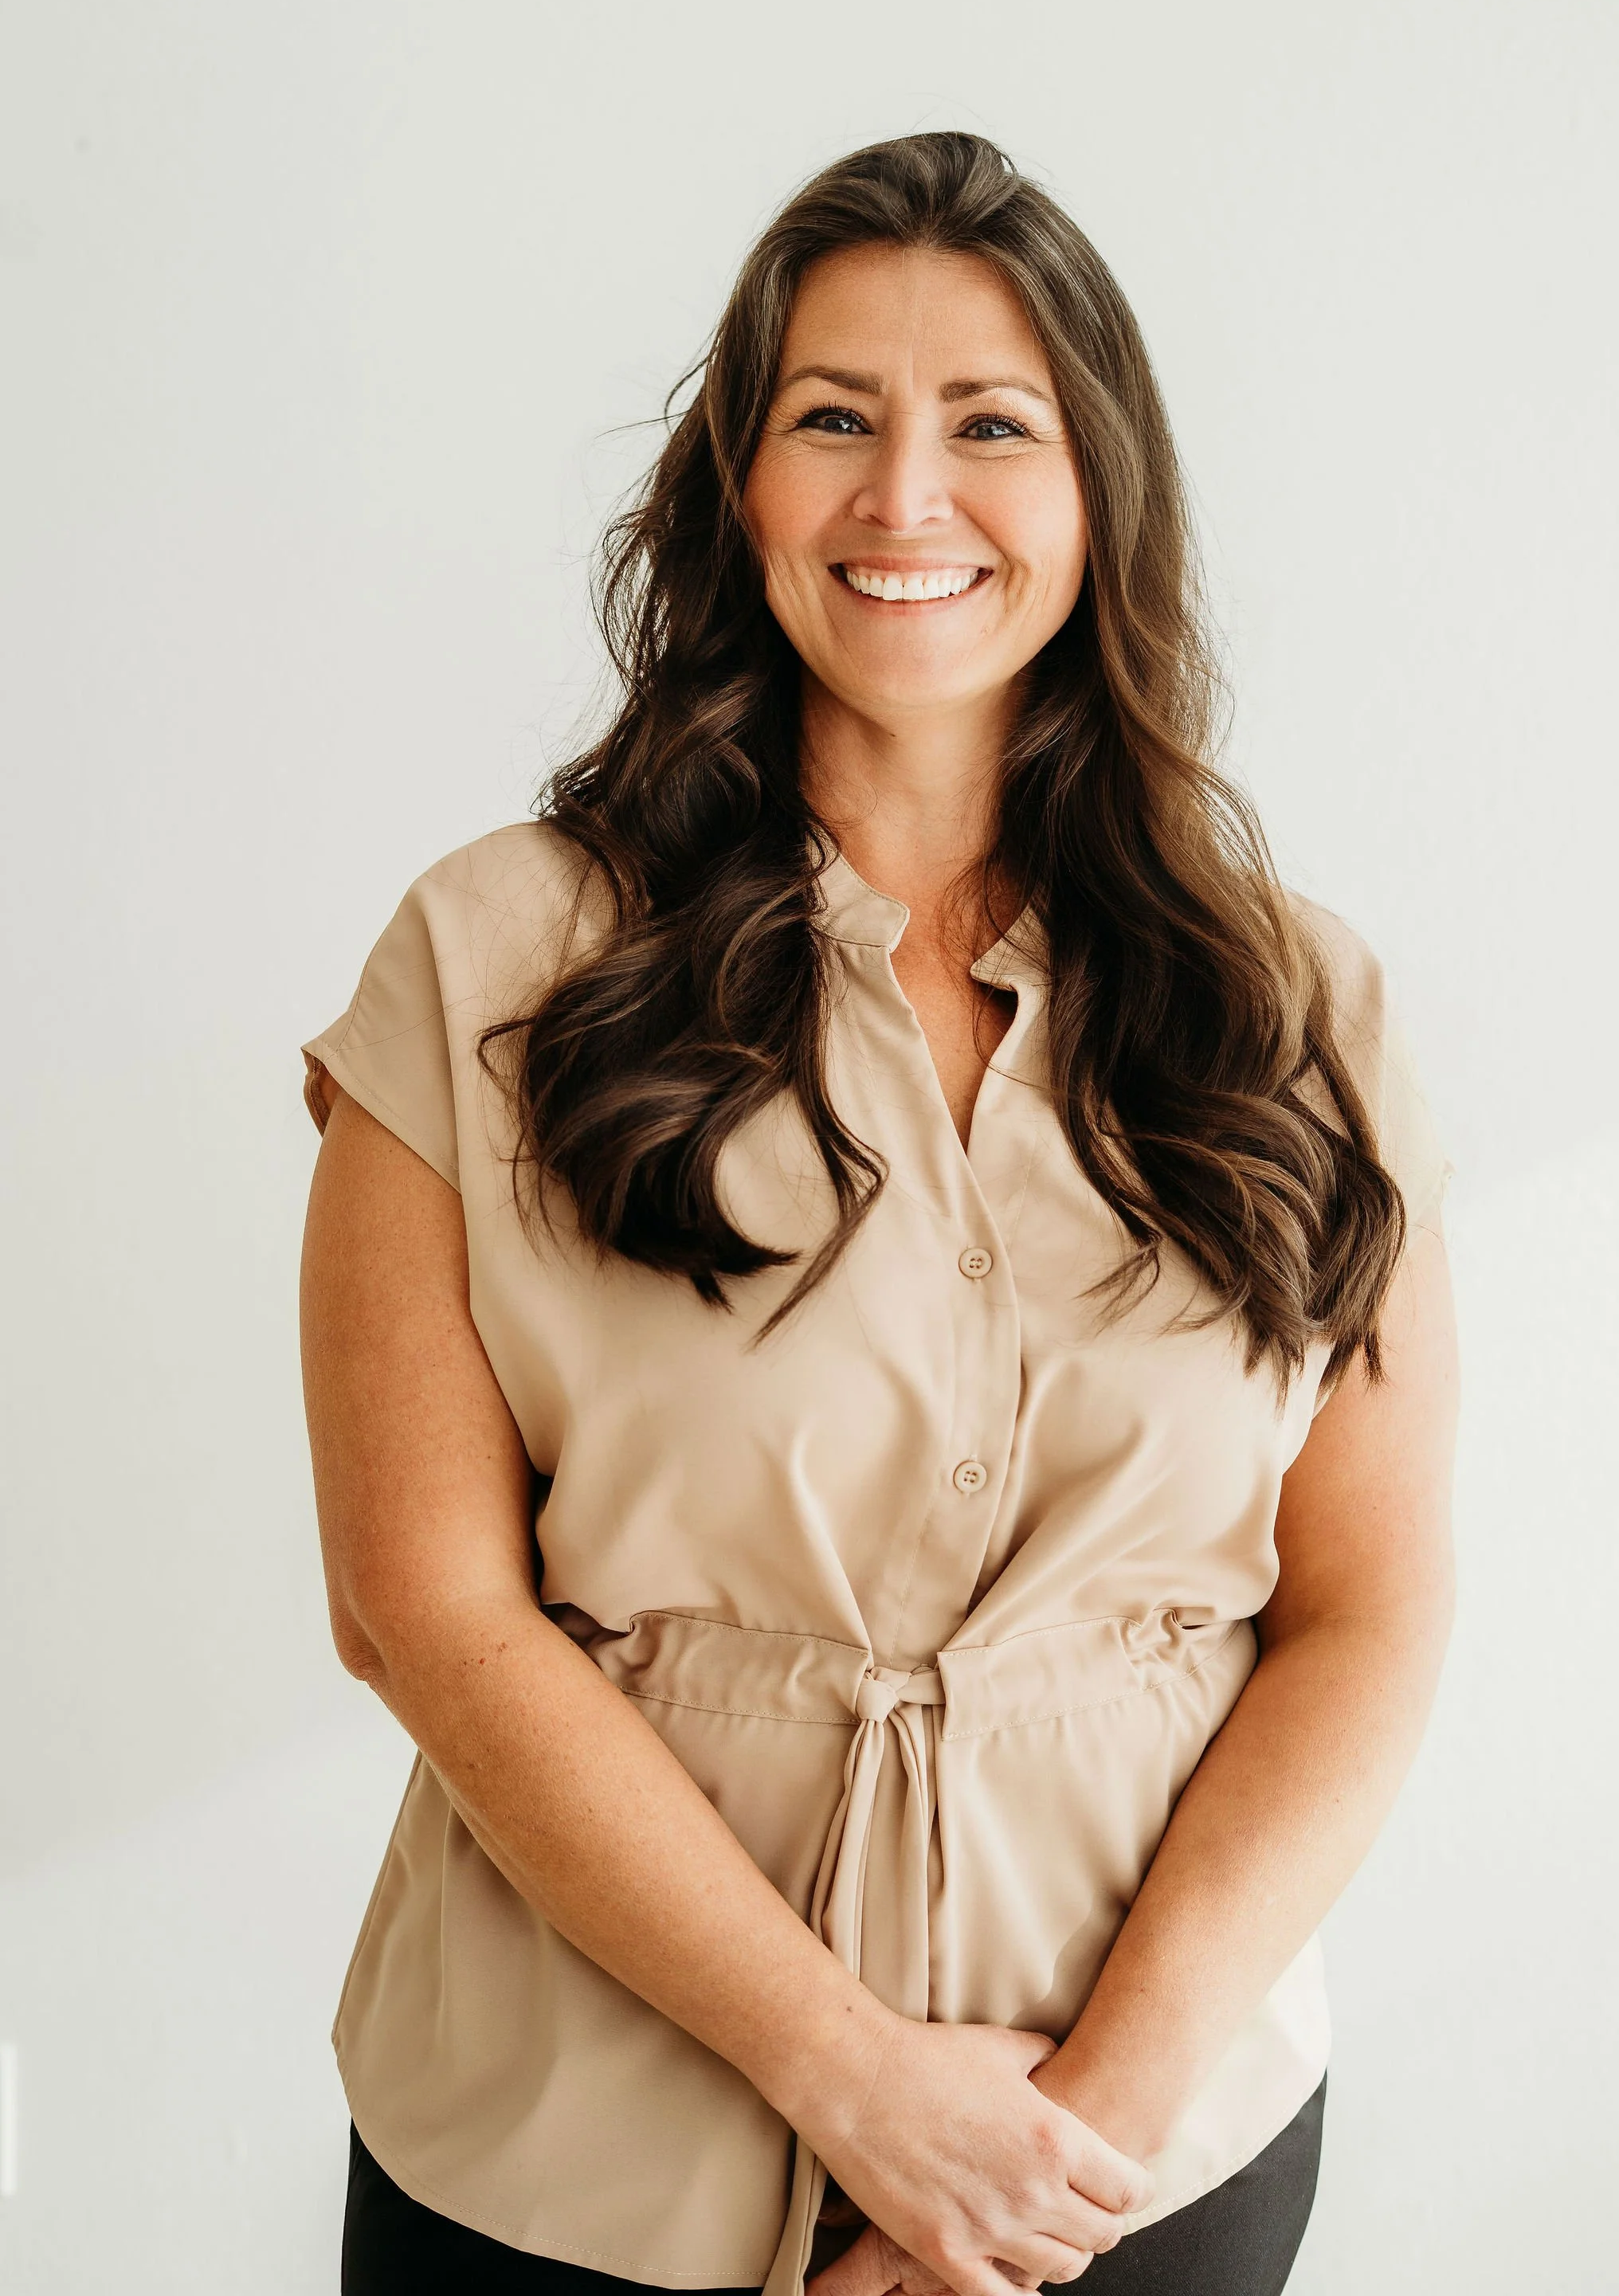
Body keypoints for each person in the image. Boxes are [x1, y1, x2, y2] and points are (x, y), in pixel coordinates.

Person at [299, 131, 1459, 2296]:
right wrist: (854, 2082)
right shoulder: (489, 962)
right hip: (575, 2179)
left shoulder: (1299, 1007)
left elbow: (1367, 1618)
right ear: (738, 487)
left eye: (989, 426)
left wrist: (1050, 2165)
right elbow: (420, 1608)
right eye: (833, 417)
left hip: (1138, 2173)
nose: (901, 499)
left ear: (1102, 490)